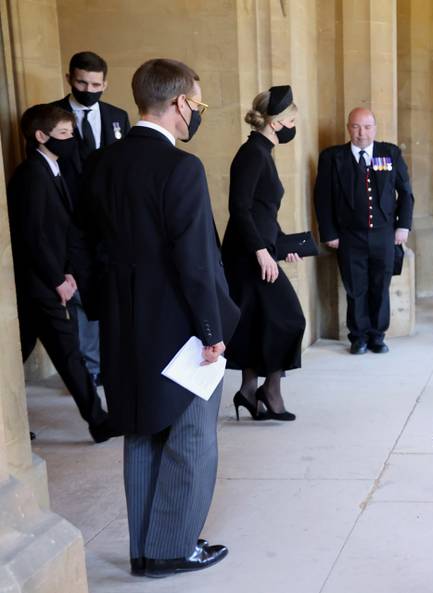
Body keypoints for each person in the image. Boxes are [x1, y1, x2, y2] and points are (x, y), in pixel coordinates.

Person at [80, 58, 239, 578]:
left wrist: (106, 311)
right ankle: (172, 549)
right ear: (179, 104)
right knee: (192, 436)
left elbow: (85, 248)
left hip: (125, 329)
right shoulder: (180, 168)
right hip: (180, 330)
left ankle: (143, 548)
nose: (197, 113)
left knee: (143, 432)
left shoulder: (103, 162)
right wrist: (212, 332)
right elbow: (194, 259)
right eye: (197, 103)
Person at [6, 104, 114, 443]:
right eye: (65, 134)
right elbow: (32, 236)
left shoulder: (52, 168)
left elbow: (60, 231)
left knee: (18, 353)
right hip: (39, 286)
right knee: (69, 354)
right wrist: (57, 280)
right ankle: (98, 421)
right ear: (42, 136)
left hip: (51, 280)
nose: (72, 140)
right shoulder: (31, 176)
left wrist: (68, 272)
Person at [221, 85, 306, 422]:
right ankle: (269, 390)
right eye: (292, 121)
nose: (293, 127)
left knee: (259, 321)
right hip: (247, 256)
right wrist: (261, 252)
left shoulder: (262, 151)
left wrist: (281, 246)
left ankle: (248, 390)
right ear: (276, 123)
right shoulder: (252, 154)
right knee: (289, 318)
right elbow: (238, 209)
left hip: (259, 250)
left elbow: (262, 211)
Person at [52, 51, 131, 386]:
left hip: (109, 223)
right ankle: (91, 368)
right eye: (82, 82)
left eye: (96, 84)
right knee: (82, 297)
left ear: (105, 84)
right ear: (69, 78)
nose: (89, 88)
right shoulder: (51, 116)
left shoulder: (118, 116)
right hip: (71, 219)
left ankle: (114, 358)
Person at [314, 108, 415, 354]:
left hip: (385, 234)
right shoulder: (332, 157)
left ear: (375, 128)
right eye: (356, 127)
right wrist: (329, 233)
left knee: (381, 286)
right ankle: (358, 337)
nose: (362, 133)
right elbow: (322, 198)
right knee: (355, 288)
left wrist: (403, 226)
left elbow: (406, 193)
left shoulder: (389, 153)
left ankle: (377, 336)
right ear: (348, 128)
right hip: (349, 236)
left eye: (367, 127)